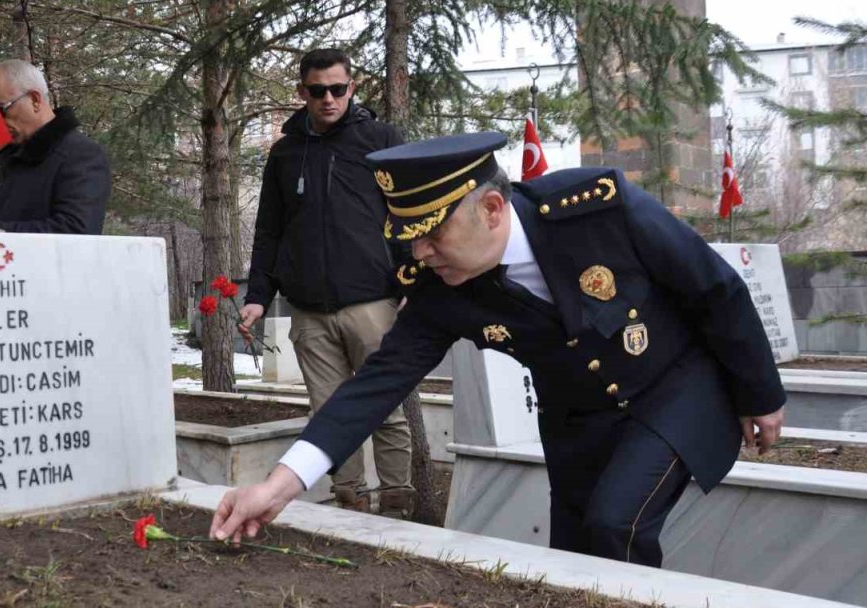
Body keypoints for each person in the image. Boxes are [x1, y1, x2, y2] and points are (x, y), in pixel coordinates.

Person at [212, 132, 787, 568]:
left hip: (674, 389)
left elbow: (714, 289)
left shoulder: (598, 210)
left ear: (490, 210)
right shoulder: (439, 291)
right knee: (576, 561)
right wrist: (278, 486)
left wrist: (760, 395)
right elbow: (374, 385)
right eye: (410, 235)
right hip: (578, 422)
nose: (421, 250)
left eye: (433, 232)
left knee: (618, 524)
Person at [237, 48, 413, 516]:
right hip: (310, 310)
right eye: (318, 91)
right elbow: (270, 231)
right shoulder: (285, 152)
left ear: (352, 88)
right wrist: (258, 296)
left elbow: (407, 216)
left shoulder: (380, 140)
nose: (329, 98)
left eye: (339, 89)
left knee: (386, 406)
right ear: (303, 93)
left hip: (373, 302)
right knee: (329, 414)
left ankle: (399, 506)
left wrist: (412, 285)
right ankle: (349, 500)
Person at [0, 60, 111, 234]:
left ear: (35, 100)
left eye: (1, 109)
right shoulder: (15, 158)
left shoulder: (81, 155)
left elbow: (77, 230)